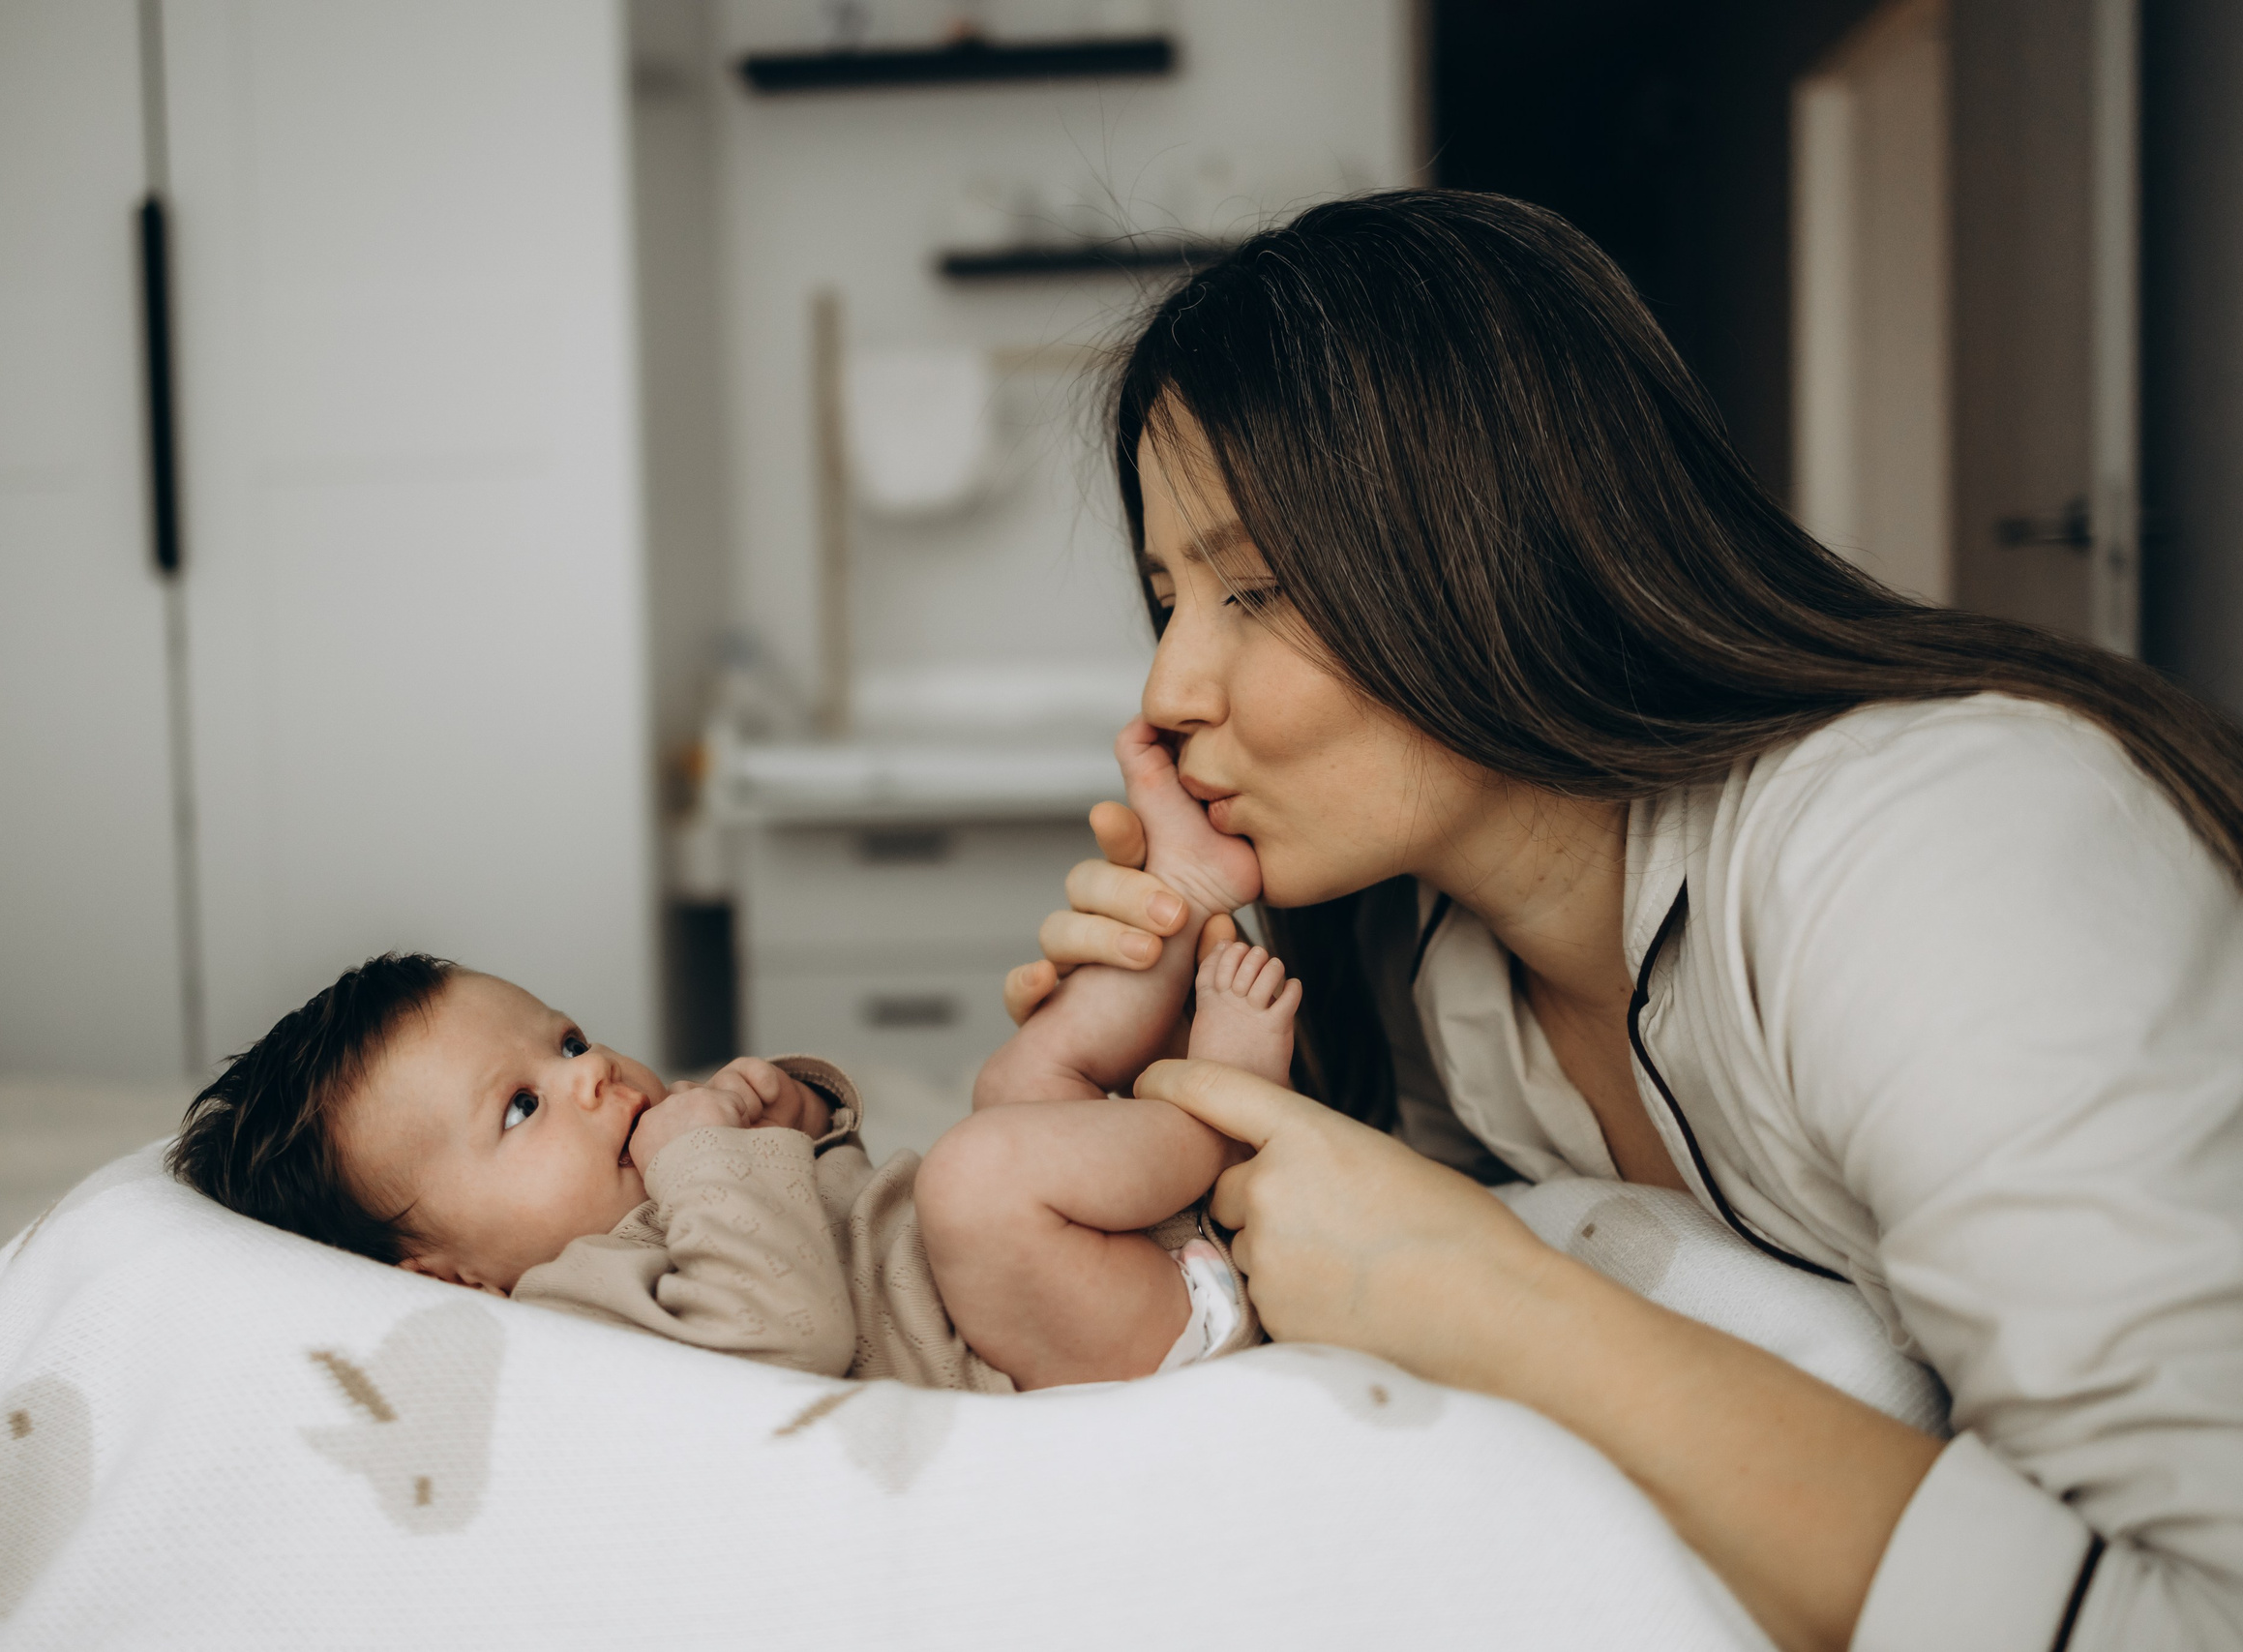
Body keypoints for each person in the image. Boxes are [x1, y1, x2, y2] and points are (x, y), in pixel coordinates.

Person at [1004, 190, 2243, 1652]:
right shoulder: (1432, 958)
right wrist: (1146, 1065)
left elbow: (2196, 1609)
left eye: (1255, 587)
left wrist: (1488, 1295)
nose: (1164, 692)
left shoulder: (1940, 844)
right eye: (1167, 600)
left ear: (1498, 541)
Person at [164, 733, 1287, 1394]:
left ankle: (1185, 902)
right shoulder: (573, 1313)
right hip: (1085, 1357)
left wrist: (785, 1108)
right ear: (449, 1276)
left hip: (1068, 1274)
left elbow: (830, 1196)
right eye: (519, 1109)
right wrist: (708, 1159)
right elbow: (783, 1331)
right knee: (977, 1172)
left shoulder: (669, 1177)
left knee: (1008, 1091)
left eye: (562, 1041)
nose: (590, 1073)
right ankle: (1222, 1121)